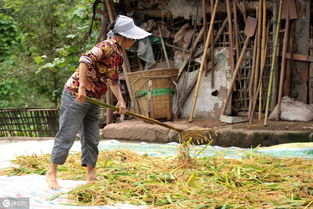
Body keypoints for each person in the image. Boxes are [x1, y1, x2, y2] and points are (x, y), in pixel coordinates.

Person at [46, 15, 151, 189]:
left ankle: (91, 175)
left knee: (92, 138)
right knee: (67, 134)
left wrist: (121, 101)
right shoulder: (107, 46)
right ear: (123, 36)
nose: (133, 42)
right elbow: (84, 60)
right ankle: (51, 173)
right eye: (132, 38)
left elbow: (114, 80)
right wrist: (81, 88)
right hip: (76, 95)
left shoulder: (119, 55)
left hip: (94, 99)